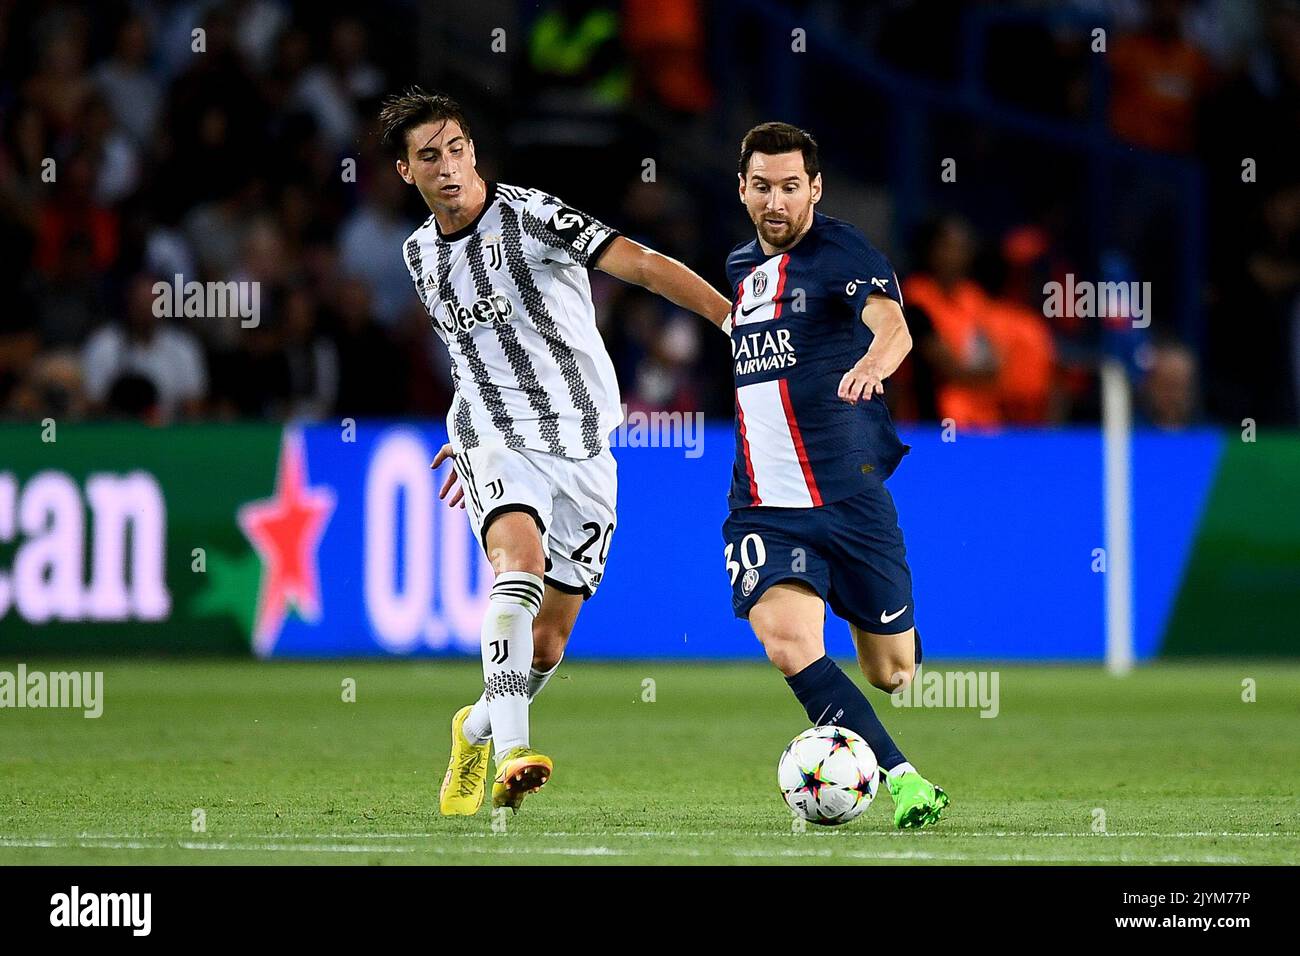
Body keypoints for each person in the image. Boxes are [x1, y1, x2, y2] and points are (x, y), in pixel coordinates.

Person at [379, 88, 731, 815]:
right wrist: (468, 444)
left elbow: (634, 262)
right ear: (404, 172)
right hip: (496, 437)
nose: (445, 167)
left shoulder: (532, 215)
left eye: (454, 148)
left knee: (547, 646)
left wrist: (730, 318)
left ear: (473, 149)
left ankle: (475, 726)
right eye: (426, 157)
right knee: (519, 569)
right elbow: (468, 353)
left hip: (585, 447)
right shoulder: (419, 255)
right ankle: (513, 753)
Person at [722, 122, 948, 828]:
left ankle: (880, 620)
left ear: (814, 188)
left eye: (791, 187)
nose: (777, 201)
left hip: (851, 501)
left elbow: (895, 326)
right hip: (763, 506)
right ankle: (908, 780)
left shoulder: (843, 251)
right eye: (763, 186)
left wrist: (872, 364)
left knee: (894, 674)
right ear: (742, 189)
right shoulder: (738, 268)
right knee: (789, 643)